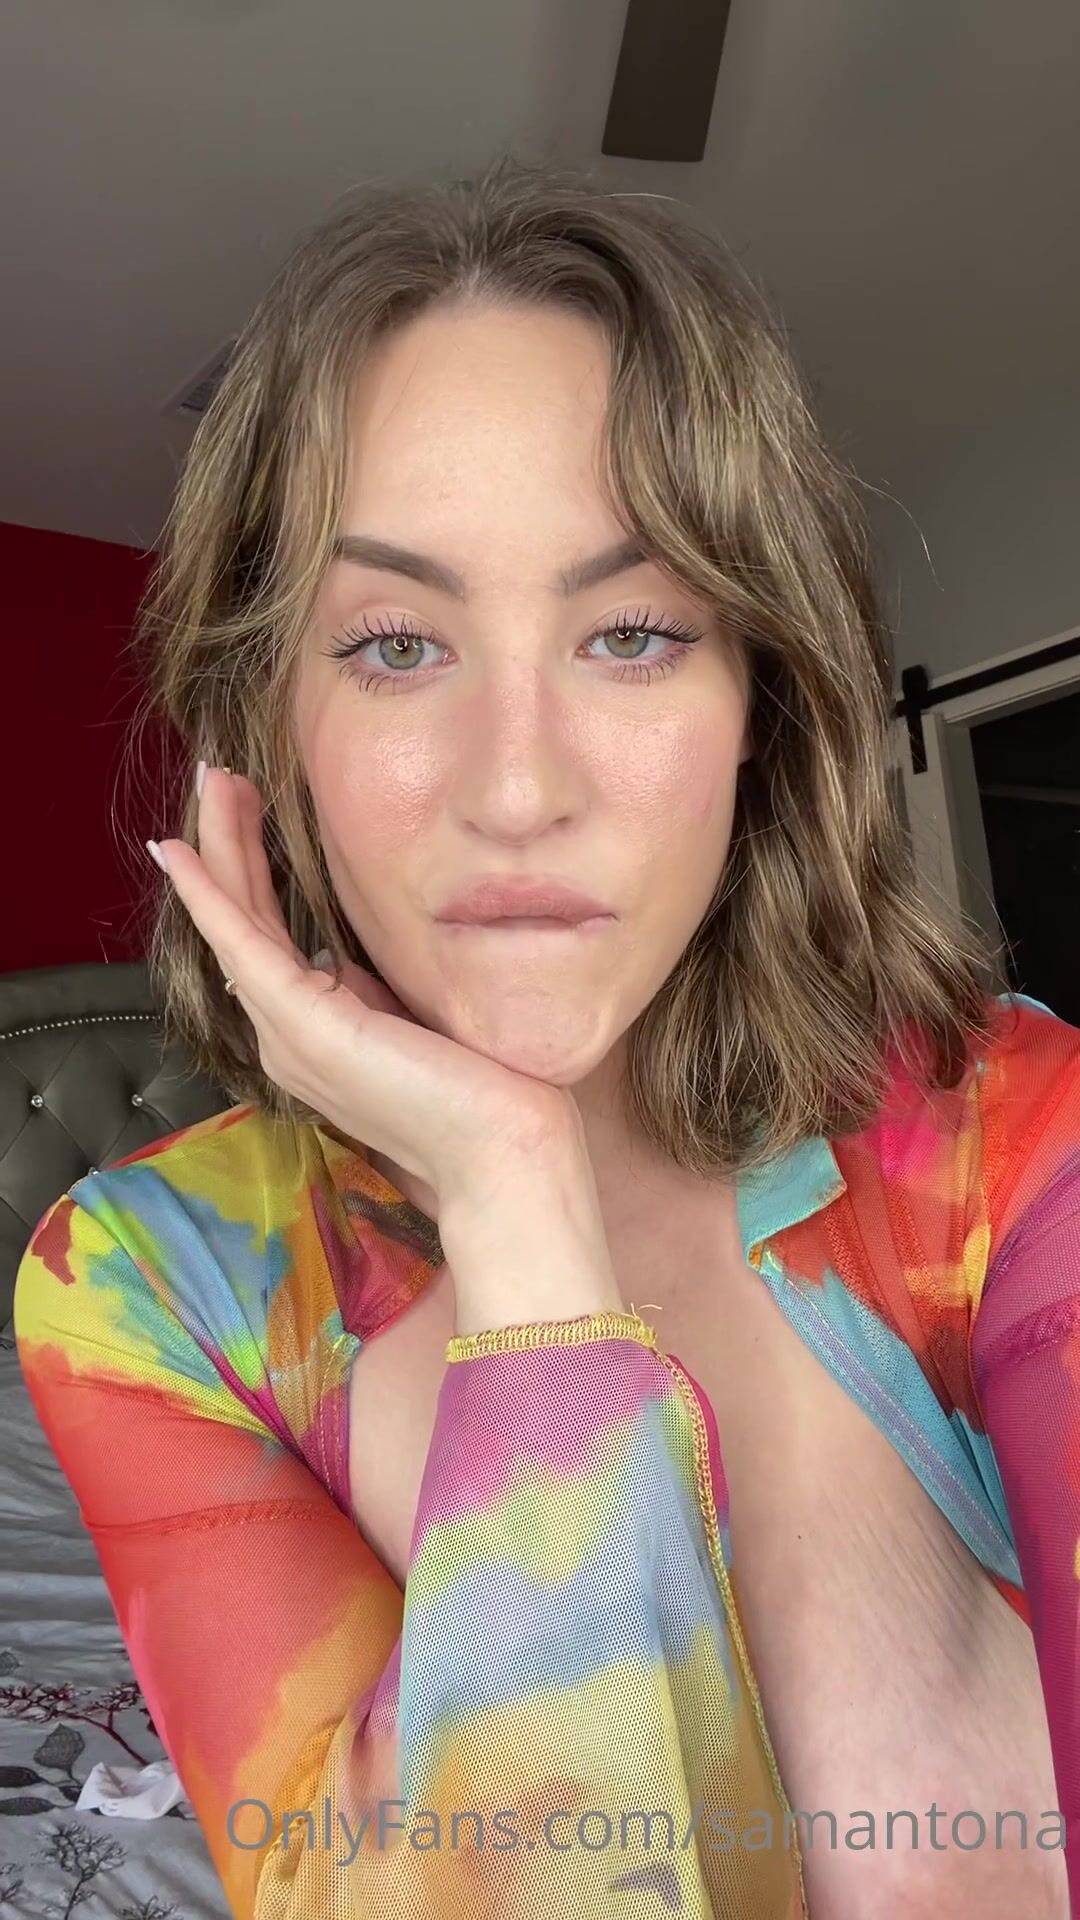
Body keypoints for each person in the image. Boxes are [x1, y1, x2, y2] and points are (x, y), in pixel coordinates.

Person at [13, 154, 1080, 1920]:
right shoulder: (147, 1287)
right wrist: (520, 1225)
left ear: (764, 700)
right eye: (396, 647)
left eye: (635, 633)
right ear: (267, 731)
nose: (517, 788)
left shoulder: (1014, 1139)